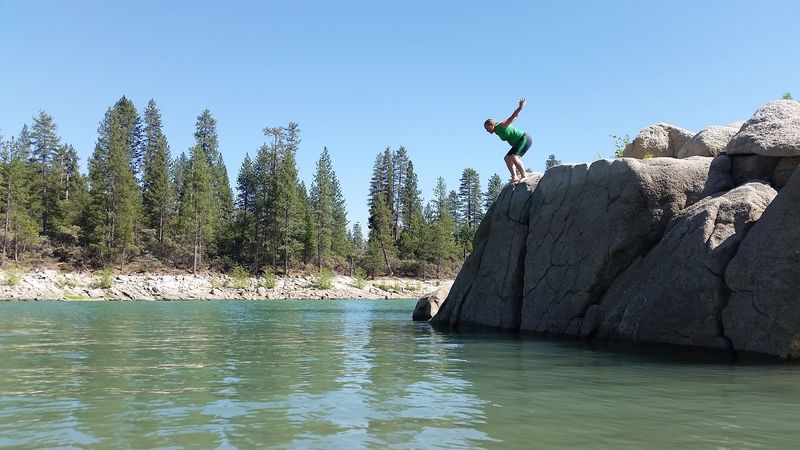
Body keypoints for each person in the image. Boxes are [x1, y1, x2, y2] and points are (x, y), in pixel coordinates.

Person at [484, 98, 532, 184]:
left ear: (492, 125)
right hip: (517, 143)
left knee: (514, 157)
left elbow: (512, 117)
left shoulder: (501, 126)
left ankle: (524, 175)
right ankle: (514, 177)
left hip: (523, 139)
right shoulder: (497, 130)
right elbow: (515, 118)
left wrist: (520, 107)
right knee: (507, 158)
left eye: (487, 128)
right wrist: (516, 115)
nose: (487, 131)